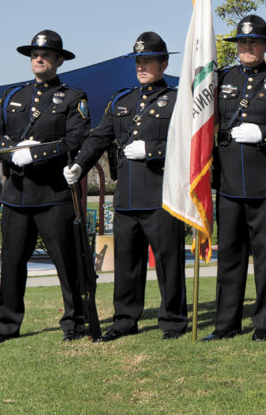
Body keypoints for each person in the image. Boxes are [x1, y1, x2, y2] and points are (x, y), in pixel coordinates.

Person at [64, 32, 188, 341]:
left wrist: (154, 151)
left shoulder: (178, 100)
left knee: (168, 262)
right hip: (127, 198)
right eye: (138, 61)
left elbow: (189, 144)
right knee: (127, 265)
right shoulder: (122, 100)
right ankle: (124, 320)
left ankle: (173, 320)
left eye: (148, 61)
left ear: (164, 63)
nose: (142, 66)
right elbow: (99, 136)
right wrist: (79, 164)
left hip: (162, 196)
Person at [0, 30, 90, 344]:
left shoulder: (73, 97)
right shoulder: (12, 95)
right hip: (16, 195)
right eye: (34, 55)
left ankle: (74, 323)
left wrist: (36, 153)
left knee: (66, 262)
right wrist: (13, 151)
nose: (38, 59)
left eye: (45, 55)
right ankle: (6, 327)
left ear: (58, 60)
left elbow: (75, 139)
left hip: (52, 195)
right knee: (12, 265)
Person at [204, 15, 266, 342]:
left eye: (254, 43)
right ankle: (226, 324)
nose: (248, 47)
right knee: (229, 257)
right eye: (242, 43)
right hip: (228, 184)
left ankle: (264, 323)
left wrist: (265, 133)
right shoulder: (221, 79)